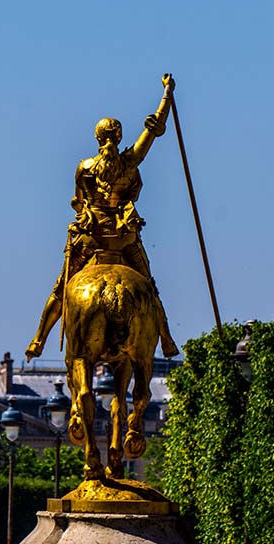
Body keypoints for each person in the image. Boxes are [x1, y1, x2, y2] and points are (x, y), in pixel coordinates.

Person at [26, 74, 179, 361]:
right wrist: (167, 95)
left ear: (97, 138)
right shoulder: (130, 162)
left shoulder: (84, 167)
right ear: (119, 138)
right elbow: (155, 131)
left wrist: (84, 210)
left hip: (91, 238)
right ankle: (167, 339)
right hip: (124, 239)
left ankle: (38, 338)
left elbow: (78, 203)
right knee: (149, 288)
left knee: (61, 290)